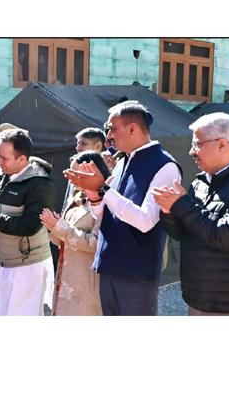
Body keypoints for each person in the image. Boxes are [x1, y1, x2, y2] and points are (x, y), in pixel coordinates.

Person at [64, 101, 181, 315]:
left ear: (132, 129)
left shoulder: (165, 166)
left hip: (136, 275)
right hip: (109, 268)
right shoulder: (121, 163)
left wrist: (103, 190)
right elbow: (105, 215)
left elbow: (145, 221)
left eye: (112, 128)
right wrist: (93, 195)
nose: (108, 136)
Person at [152, 113, 229, 315]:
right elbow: (185, 233)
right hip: (201, 299)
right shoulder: (201, 181)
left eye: (198, 144)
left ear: (222, 144)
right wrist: (170, 211)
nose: (192, 152)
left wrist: (182, 205)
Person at [0, 128, 57, 315]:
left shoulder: (41, 184)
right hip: (0, 262)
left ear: (22, 159)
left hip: (28, 266)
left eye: (4, 158)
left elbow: (30, 226)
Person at [41, 151, 110, 315]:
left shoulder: (106, 199)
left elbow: (97, 243)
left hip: (87, 281)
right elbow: (63, 239)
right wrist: (54, 226)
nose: (71, 178)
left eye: (75, 172)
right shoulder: (77, 197)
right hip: (67, 275)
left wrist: (60, 228)